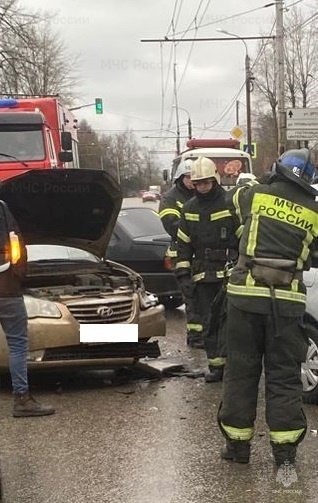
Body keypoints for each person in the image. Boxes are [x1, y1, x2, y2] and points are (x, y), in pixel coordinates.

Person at [218, 148, 318, 467]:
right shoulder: (314, 210)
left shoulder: (256, 194)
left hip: (245, 299)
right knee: (284, 377)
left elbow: (232, 200)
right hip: (287, 306)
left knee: (242, 373)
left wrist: (265, 177)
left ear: (279, 170)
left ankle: (238, 448)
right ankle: (285, 454)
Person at [175, 156, 240, 380]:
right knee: (209, 322)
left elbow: (243, 238)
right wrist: (183, 273)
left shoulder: (229, 203)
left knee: (231, 322)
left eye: (206, 182)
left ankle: (234, 366)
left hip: (230, 274)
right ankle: (216, 367)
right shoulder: (189, 208)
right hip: (203, 276)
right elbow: (182, 244)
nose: (202, 187)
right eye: (198, 183)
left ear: (215, 180)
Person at [0, 200, 55, 417]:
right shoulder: (2, 208)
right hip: (6, 288)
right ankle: (22, 400)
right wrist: (18, 273)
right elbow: (16, 242)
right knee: (17, 345)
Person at [159, 159, 197, 342]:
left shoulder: (202, 193)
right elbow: (171, 225)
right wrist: (198, 229)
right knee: (191, 296)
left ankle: (206, 335)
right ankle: (195, 336)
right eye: (188, 177)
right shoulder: (170, 198)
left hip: (203, 254)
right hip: (181, 255)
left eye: (194, 177)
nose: (192, 180)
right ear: (180, 177)